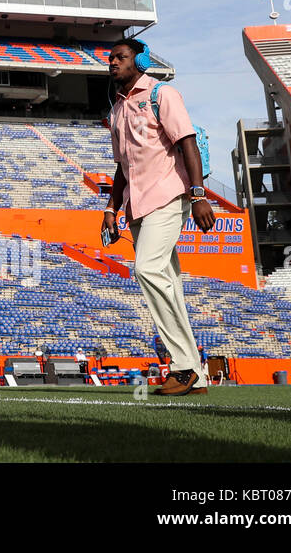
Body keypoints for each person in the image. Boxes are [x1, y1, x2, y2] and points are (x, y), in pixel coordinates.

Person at [105, 38, 215, 397]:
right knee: (171, 285)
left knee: (147, 270)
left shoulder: (162, 94)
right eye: (110, 59)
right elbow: (122, 166)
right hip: (137, 206)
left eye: (120, 58)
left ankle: (183, 367)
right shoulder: (117, 110)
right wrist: (111, 208)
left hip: (169, 197)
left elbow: (188, 143)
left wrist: (198, 195)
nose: (113, 63)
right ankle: (195, 375)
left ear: (140, 60)